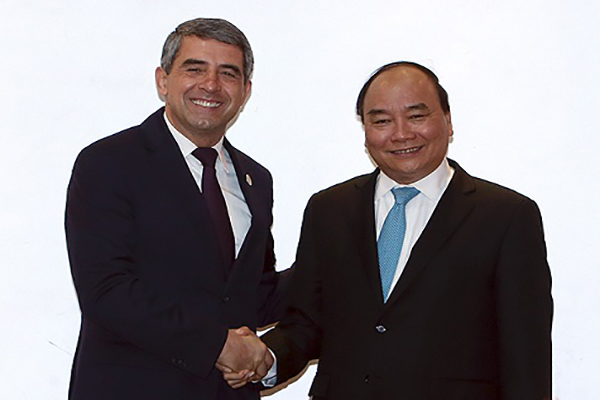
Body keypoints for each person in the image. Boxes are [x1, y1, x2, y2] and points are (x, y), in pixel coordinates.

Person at [223, 61, 553, 399]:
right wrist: (266, 358)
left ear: (448, 120)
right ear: (365, 130)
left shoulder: (506, 216)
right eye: (381, 121)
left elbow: (526, 356)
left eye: (416, 116)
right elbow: (306, 322)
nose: (401, 134)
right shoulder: (328, 210)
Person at [65, 17, 289, 400]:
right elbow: (106, 291)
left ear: (245, 91)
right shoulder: (108, 163)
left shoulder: (257, 179)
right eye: (195, 69)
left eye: (228, 73)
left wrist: (337, 257)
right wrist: (217, 345)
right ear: (163, 81)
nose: (211, 85)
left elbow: (254, 294)